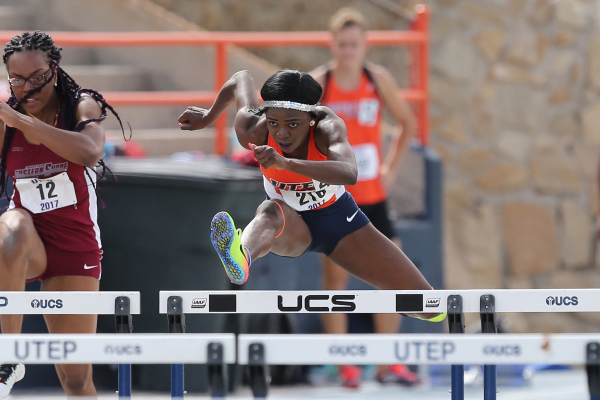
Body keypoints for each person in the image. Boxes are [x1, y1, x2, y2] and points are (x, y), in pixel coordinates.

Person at [178, 67, 444, 317]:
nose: (281, 133)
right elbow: (240, 79)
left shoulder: (329, 127)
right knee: (270, 210)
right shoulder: (253, 128)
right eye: (274, 123)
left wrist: (286, 163)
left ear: (311, 119)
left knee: (428, 306)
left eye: (293, 124)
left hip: (341, 224)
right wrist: (208, 117)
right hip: (292, 226)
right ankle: (241, 257)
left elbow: (349, 172)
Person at [0, 31, 124, 398]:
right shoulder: (6, 119)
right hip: (28, 240)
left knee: (75, 379)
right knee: (11, 230)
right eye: (17, 80)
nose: (28, 89)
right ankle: (8, 355)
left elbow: (89, 152)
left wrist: (24, 123)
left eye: (37, 77)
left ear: (54, 70)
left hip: (74, 248)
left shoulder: (80, 105)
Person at [308, 8, 419, 388]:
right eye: (342, 44)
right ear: (332, 45)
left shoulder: (378, 79)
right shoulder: (320, 84)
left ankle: (387, 362)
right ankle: (343, 364)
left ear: (364, 45)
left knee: (396, 277)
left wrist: (391, 167)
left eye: (355, 43)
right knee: (335, 281)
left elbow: (408, 123)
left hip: (374, 196)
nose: (349, 50)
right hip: (336, 198)